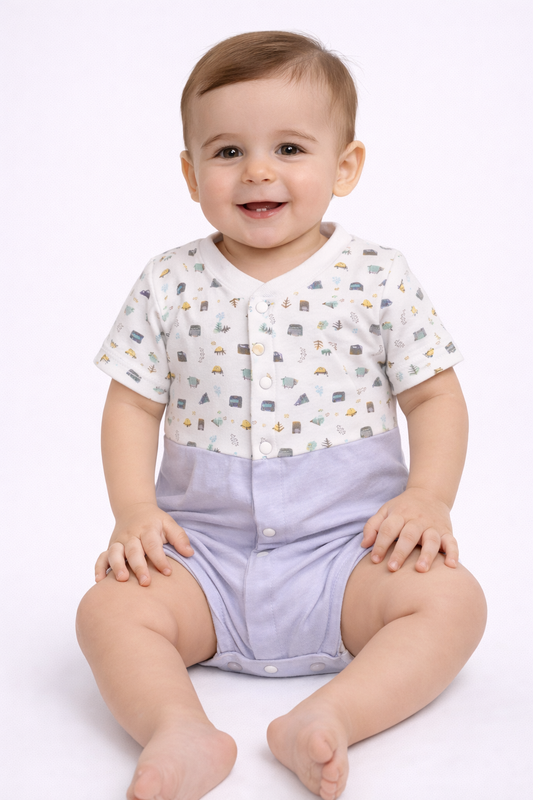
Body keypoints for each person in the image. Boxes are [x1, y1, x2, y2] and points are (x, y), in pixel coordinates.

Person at [76, 30, 487, 800]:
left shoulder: (376, 275)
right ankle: (178, 727)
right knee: (105, 612)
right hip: (203, 561)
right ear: (189, 171)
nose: (257, 170)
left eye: (290, 148)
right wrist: (133, 511)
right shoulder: (168, 282)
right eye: (226, 151)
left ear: (345, 166)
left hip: (350, 558)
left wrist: (427, 497)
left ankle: (328, 715)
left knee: (452, 602)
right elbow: (131, 403)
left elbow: (433, 395)